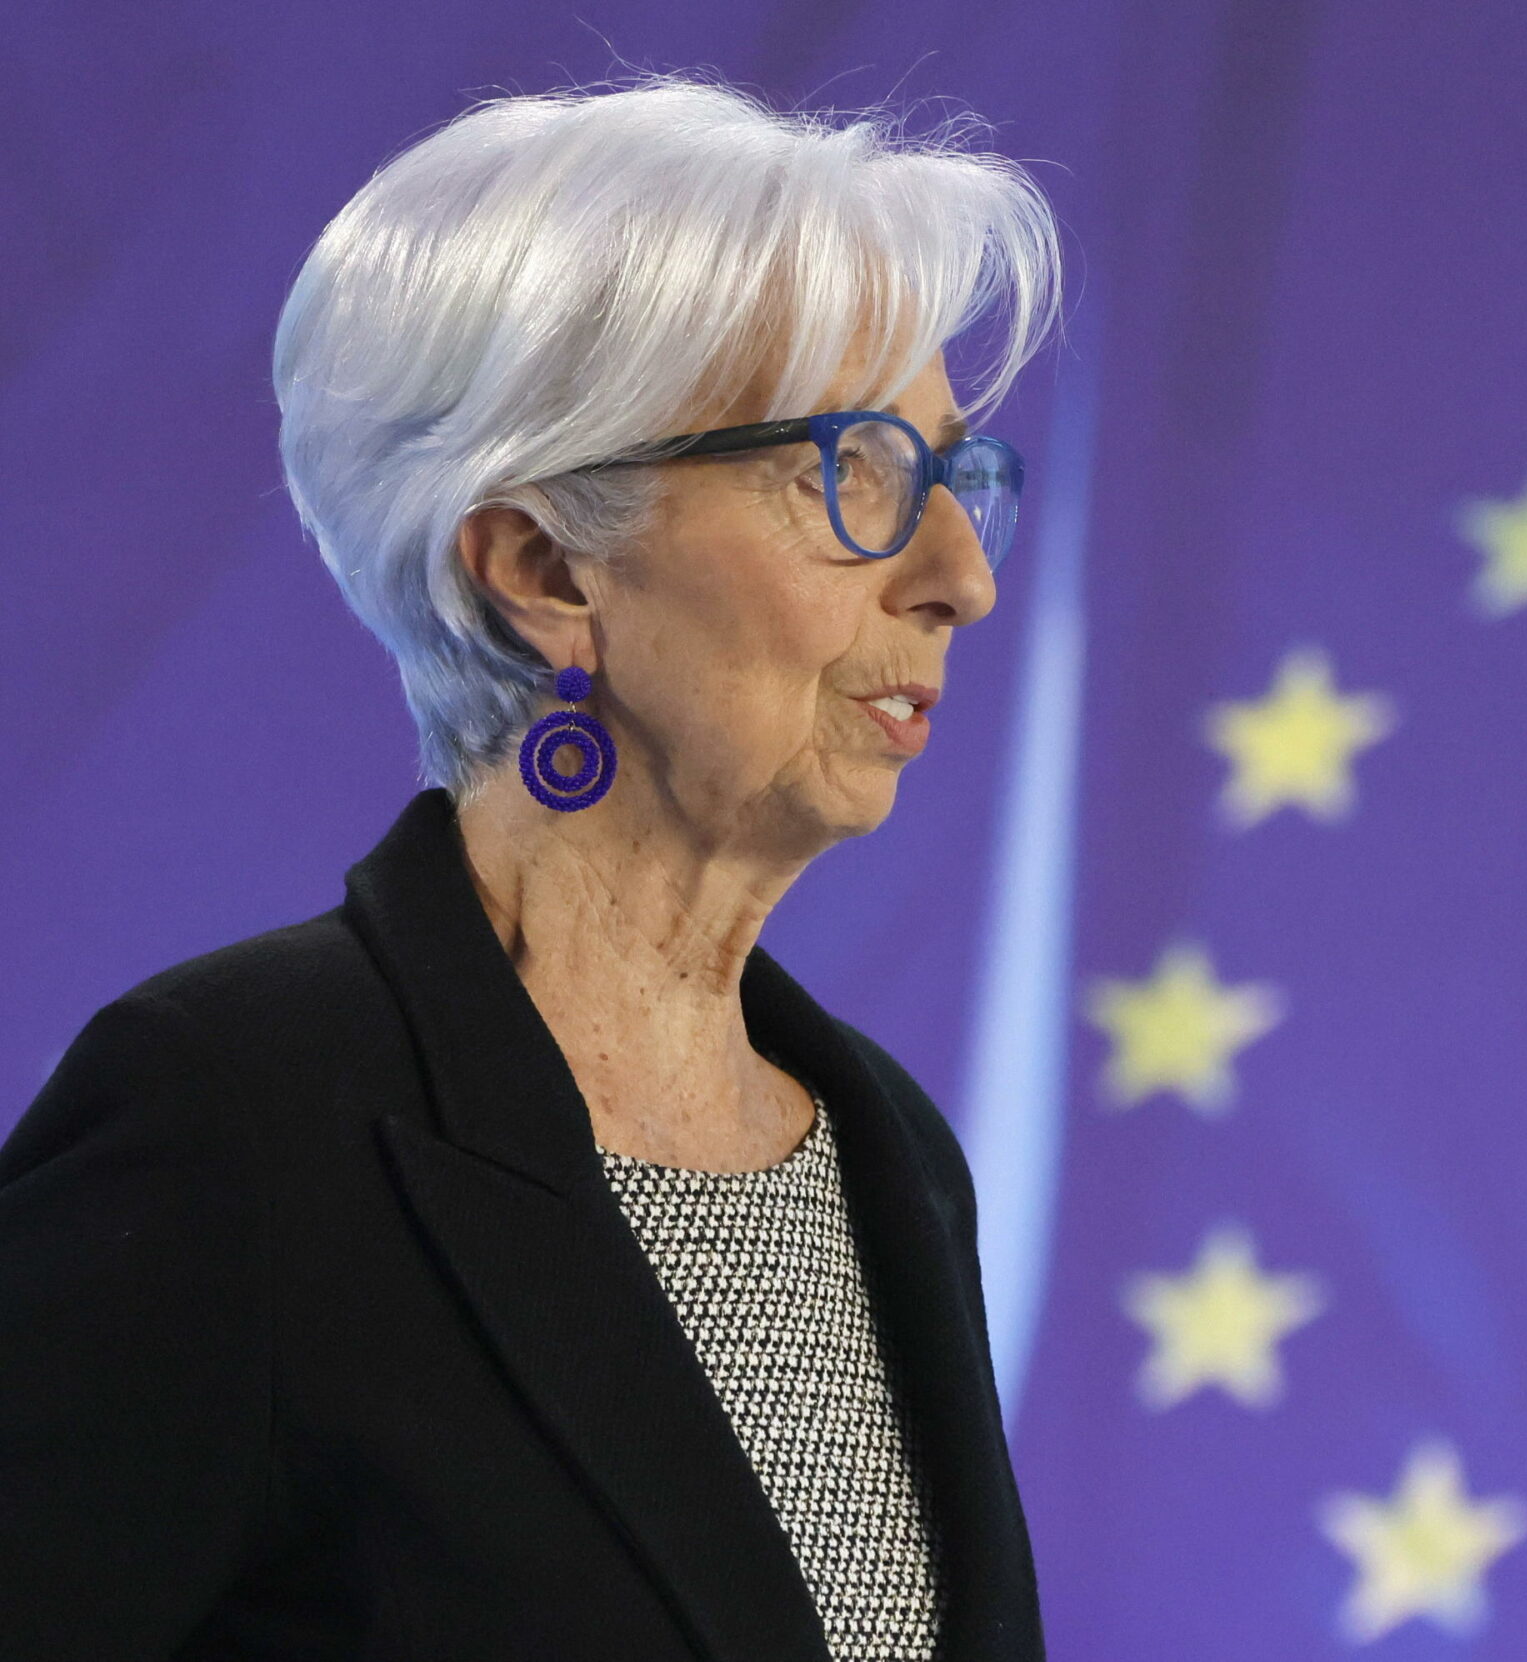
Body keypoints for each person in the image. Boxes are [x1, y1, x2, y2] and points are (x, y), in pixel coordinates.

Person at [0, 75, 1060, 1661]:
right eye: (849, 471)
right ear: (544, 569)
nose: (960, 575)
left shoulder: (887, 1145)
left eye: (952, 473)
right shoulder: (232, 1114)